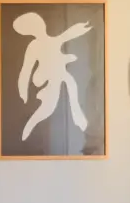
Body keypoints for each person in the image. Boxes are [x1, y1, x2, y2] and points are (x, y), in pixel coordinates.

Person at [13, 12, 92, 141]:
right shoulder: (34, 46)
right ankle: (29, 127)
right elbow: (26, 69)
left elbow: (69, 34)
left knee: (70, 84)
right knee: (47, 108)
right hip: (44, 79)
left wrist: (83, 27)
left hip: (57, 76)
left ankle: (79, 121)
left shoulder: (54, 41)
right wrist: (23, 90)